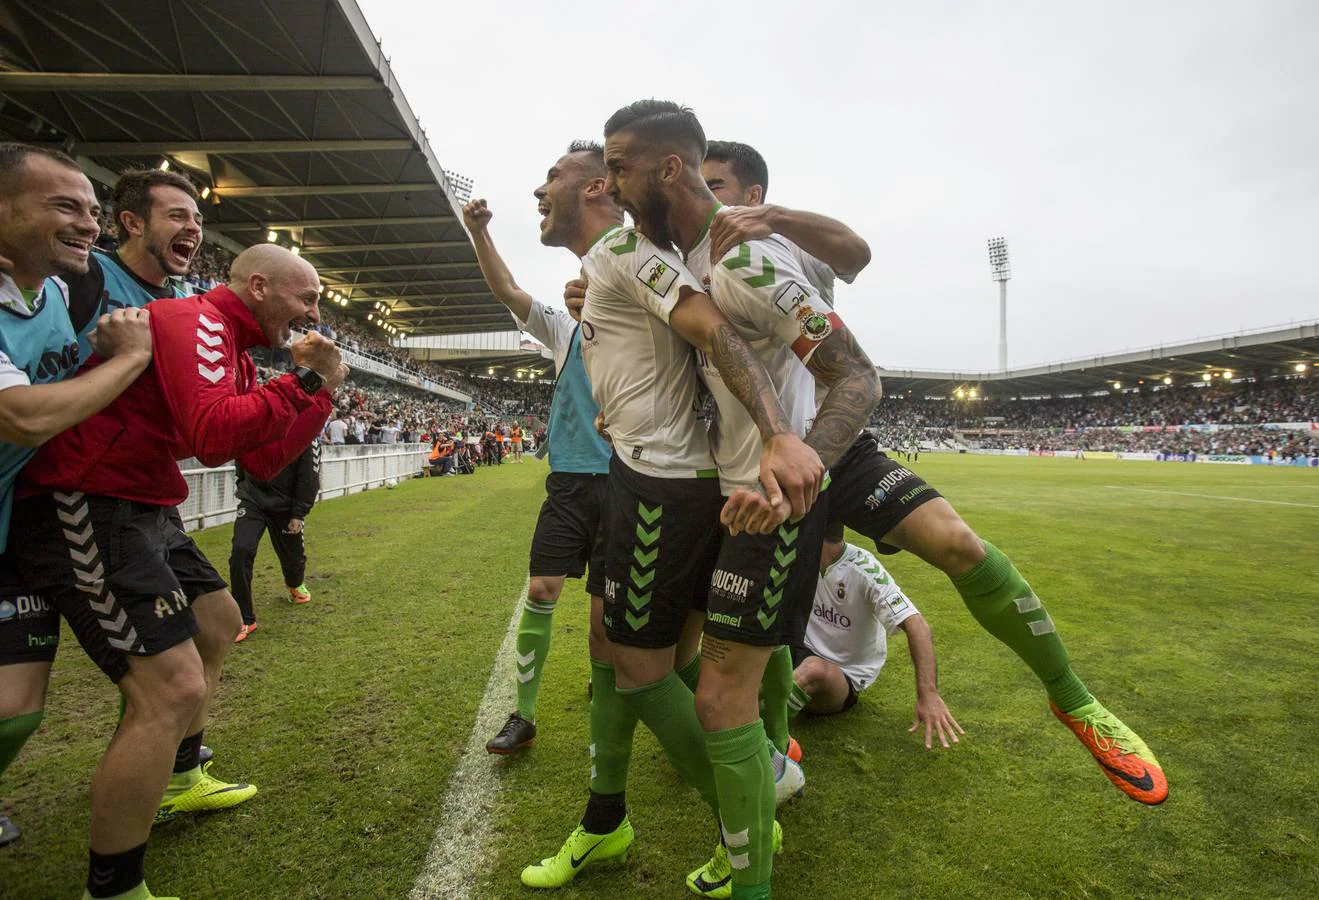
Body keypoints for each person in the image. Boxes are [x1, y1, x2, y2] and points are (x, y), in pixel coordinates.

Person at [702, 138, 1166, 807]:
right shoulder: (684, 260)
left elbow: (855, 252)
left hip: (832, 444)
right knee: (768, 636)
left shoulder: (778, 243)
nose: (705, 195)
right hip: (757, 471)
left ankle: (1074, 700)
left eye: (717, 184)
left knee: (957, 542)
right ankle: (772, 759)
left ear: (750, 193)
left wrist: (772, 218)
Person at [520, 127, 825, 893]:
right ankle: (609, 816)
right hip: (636, 475)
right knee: (613, 647)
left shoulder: (625, 256)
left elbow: (709, 326)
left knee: (642, 666)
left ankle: (756, 789)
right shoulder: (607, 266)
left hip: (666, 486)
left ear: (595, 188)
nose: (538, 189)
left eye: (555, 175)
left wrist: (779, 432)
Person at [600, 102, 881, 900]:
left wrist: (789, 462)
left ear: (666, 170)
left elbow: (856, 376)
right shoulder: (662, 257)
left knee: (724, 695)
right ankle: (754, 825)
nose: (609, 182)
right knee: (714, 684)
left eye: (619, 166)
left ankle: (751, 861)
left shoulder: (747, 262)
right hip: (716, 495)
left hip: (772, 500)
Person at [12, 243, 344, 900]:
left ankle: (181, 779)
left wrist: (319, 394)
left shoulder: (236, 349)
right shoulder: (199, 322)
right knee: (169, 691)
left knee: (217, 622)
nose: (314, 313)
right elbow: (215, 434)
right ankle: (112, 888)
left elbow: (265, 458)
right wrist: (303, 382)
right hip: (87, 497)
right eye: (305, 298)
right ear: (258, 286)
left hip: (142, 498)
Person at [0, 144, 155, 849]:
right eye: (65, 206)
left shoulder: (58, 292)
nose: (88, 225)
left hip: (13, 528)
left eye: (93, 211)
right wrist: (126, 359)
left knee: (16, 711)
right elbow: (23, 416)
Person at [461, 155, 619, 756]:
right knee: (544, 589)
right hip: (572, 483)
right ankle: (523, 715)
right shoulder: (563, 328)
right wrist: (480, 231)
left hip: (627, 481)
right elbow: (506, 289)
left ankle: (605, 700)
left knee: (605, 620)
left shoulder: (635, 321)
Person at [790, 523, 962, 753]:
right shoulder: (798, 559)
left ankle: (764, 733)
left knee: (814, 670)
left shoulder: (863, 568)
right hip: (799, 648)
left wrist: (928, 694)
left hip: (842, 675)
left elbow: (916, 624)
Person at [228, 439, 321, 642]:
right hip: (252, 501)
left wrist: (298, 513)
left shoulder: (305, 432)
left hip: (286, 507)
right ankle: (243, 618)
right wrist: (243, 486)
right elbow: (240, 454)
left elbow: (309, 477)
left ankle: (295, 585)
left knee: (292, 559)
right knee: (240, 551)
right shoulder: (252, 426)